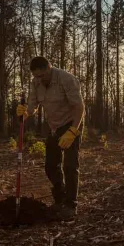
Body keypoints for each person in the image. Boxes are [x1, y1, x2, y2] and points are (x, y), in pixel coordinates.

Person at [17, 57, 85, 220]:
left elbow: (79, 107)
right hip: (54, 126)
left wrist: (73, 131)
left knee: (70, 165)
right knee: (50, 166)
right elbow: (33, 106)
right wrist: (25, 113)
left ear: (50, 68)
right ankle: (60, 199)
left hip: (72, 122)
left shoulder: (66, 79)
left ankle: (70, 205)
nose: (40, 79)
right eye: (36, 76)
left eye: (43, 75)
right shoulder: (35, 83)